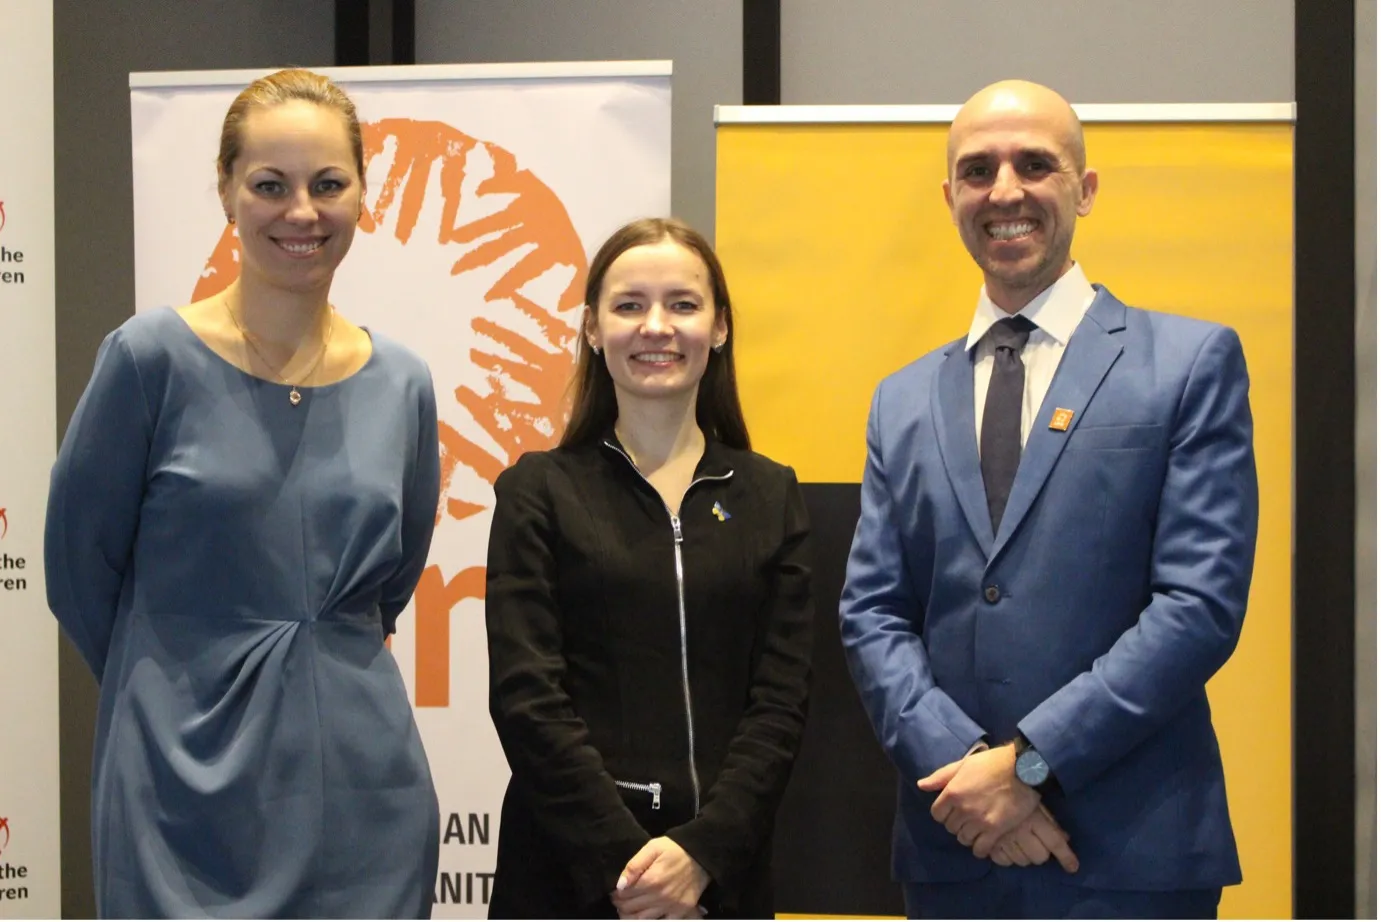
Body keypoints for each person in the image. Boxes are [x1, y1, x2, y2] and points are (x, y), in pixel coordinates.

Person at [839, 79, 1258, 919]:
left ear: (1084, 188)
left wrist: (1028, 763)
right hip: (954, 844)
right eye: (977, 169)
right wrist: (969, 772)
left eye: (1035, 164)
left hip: (1129, 853)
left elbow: (1197, 607)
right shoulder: (901, 398)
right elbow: (873, 614)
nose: (1005, 191)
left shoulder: (1187, 364)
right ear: (949, 196)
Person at [45, 69, 441, 918]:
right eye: (270, 184)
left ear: (364, 195)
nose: (302, 211)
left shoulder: (403, 382)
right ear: (226, 192)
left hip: (364, 795)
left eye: (328, 183)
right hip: (178, 789)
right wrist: (180, 682)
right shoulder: (147, 358)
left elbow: (390, 585)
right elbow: (79, 571)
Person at [484, 217, 814, 919]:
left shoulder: (770, 495)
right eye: (629, 305)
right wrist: (625, 869)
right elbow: (526, 698)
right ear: (592, 328)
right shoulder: (537, 491)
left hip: (721, 880)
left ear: (719, 327)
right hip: (567, 877)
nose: (655, 326)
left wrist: (701, 856)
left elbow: (780, 705)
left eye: (682, 304)